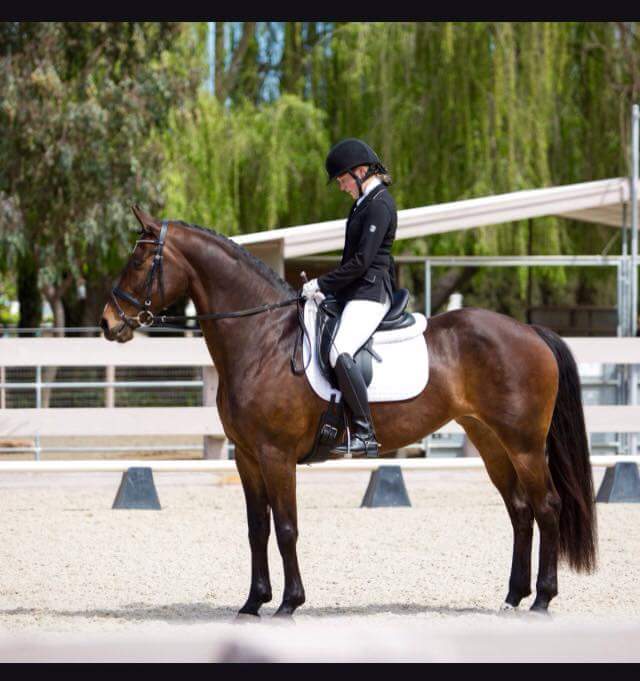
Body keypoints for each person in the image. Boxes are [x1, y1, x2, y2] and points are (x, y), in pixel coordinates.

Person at [301, 138, 397, 457]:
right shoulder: (361, 203)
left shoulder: (381, 202)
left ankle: (365, 431)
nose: (342, 187)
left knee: (340, 350)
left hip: (371, 292)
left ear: (359, 171)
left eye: (342, 180)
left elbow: (362, 262)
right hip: (355, 291)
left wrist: (322, 284)